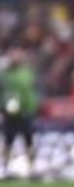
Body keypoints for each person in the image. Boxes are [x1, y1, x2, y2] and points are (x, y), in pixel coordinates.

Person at [0, 48, 40, 178]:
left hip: (25, 112)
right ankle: (4, 168)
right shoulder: (4, 74)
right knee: (8, 141)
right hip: (9, 112)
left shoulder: (27, 72)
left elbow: (32, 90)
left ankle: (32, 168)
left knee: (29, 140)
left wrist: (33, 106)